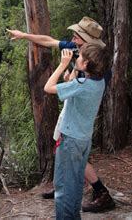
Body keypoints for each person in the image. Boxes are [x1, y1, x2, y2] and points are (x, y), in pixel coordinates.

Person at [7, 17, 115, 213]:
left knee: (71, 151)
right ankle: (61, 185)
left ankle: (99, 192)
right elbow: (48, 41)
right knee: (62, 147)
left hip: (78, 114)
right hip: (74, 109)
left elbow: (81, 87)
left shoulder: (98, 66)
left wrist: (68, 74)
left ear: (88, 45)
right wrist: (24, 36)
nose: (72, 38)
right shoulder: (78, 50)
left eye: (77, 36)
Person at [44, 43, 111, 219]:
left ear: (87, 65)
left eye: (80, 57)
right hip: (83, 140)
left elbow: (48, 87)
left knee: (63, 187)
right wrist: (76, 66)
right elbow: (74, 82)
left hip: (70, 141)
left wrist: (63, 64)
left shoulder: (82, 85)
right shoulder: (99, 82)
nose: (77, 58)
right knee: (74, 184)